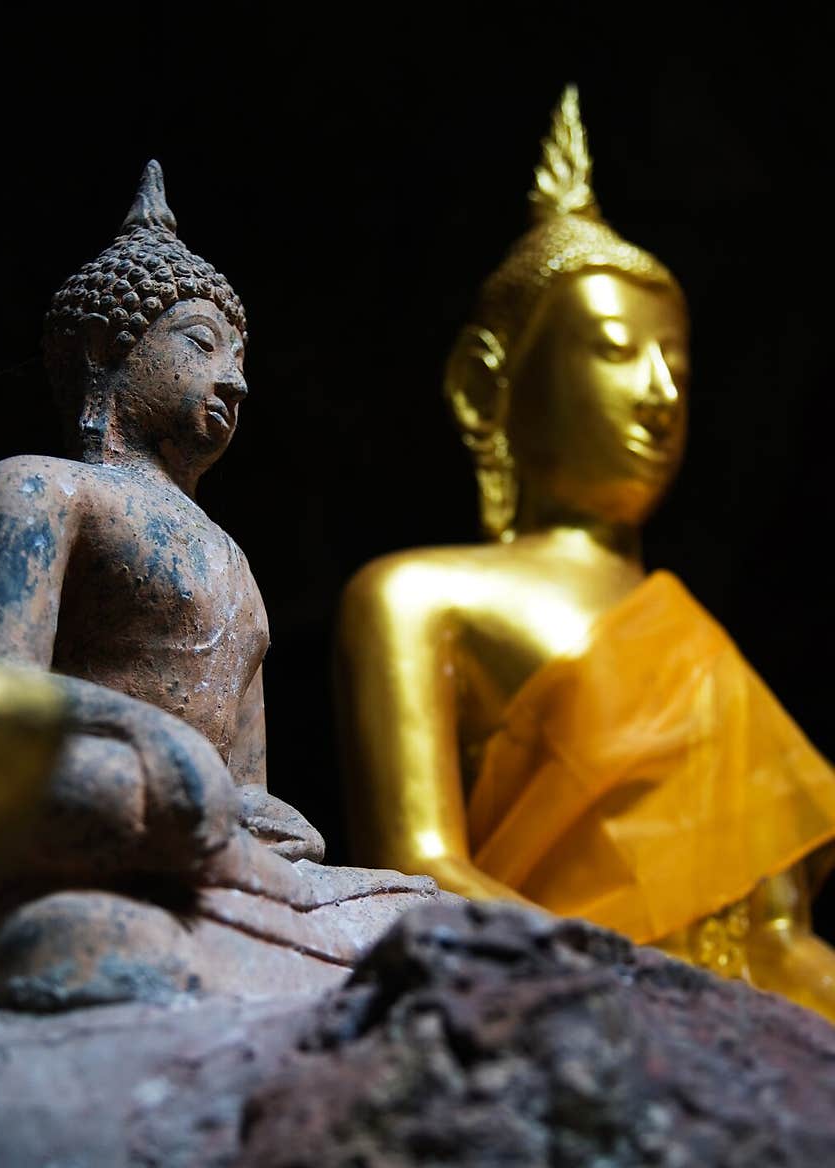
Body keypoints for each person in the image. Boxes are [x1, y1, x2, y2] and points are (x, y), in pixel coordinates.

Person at [337, 88, 835, 1021]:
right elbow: (418, 868)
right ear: (487, 385)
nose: (658, 394)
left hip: (750, 1022)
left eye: (678, 367)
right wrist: (636, 987)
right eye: (614, 350)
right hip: (565, 1004)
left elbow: (779, 935)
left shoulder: (701, 650)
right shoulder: (415, 596)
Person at [0, 161, 438, 1010]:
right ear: (111, 349)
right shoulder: (35, 490)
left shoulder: (236, 565)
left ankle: (250, 920)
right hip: (105, 794)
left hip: (206, 836)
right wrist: (151, 737)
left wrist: (265, 815)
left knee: (418, 904)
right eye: (200, 344)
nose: (236, 380)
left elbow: (244, 782)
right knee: (116, 793)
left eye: (240, 357)